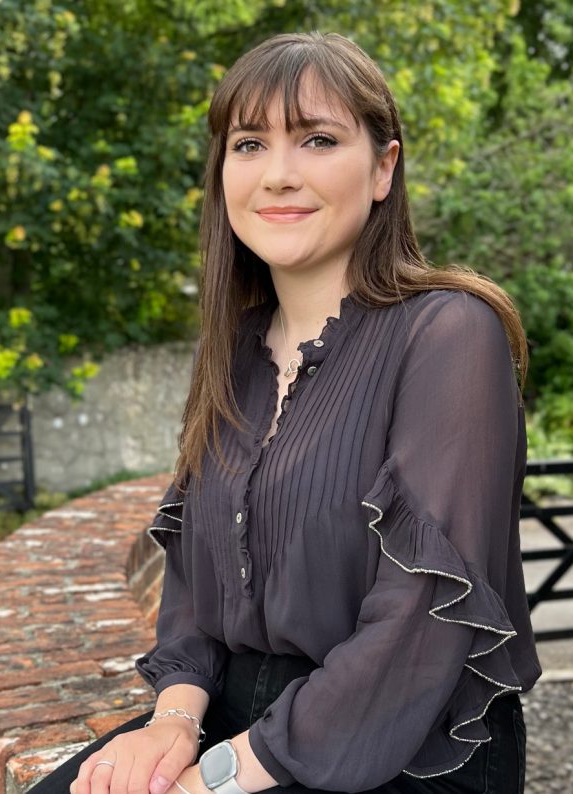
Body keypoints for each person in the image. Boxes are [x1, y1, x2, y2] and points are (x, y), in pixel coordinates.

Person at [28, 30, 541, 794]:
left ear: (383, 167)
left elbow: (423, 620)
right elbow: (196, 591)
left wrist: (219, 778)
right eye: (248, 144)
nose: (277, 175)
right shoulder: (233, 352)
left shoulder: (448, 333)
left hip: (405, 741)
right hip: (235, 714)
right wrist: (171, 724)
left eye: (318, 139)